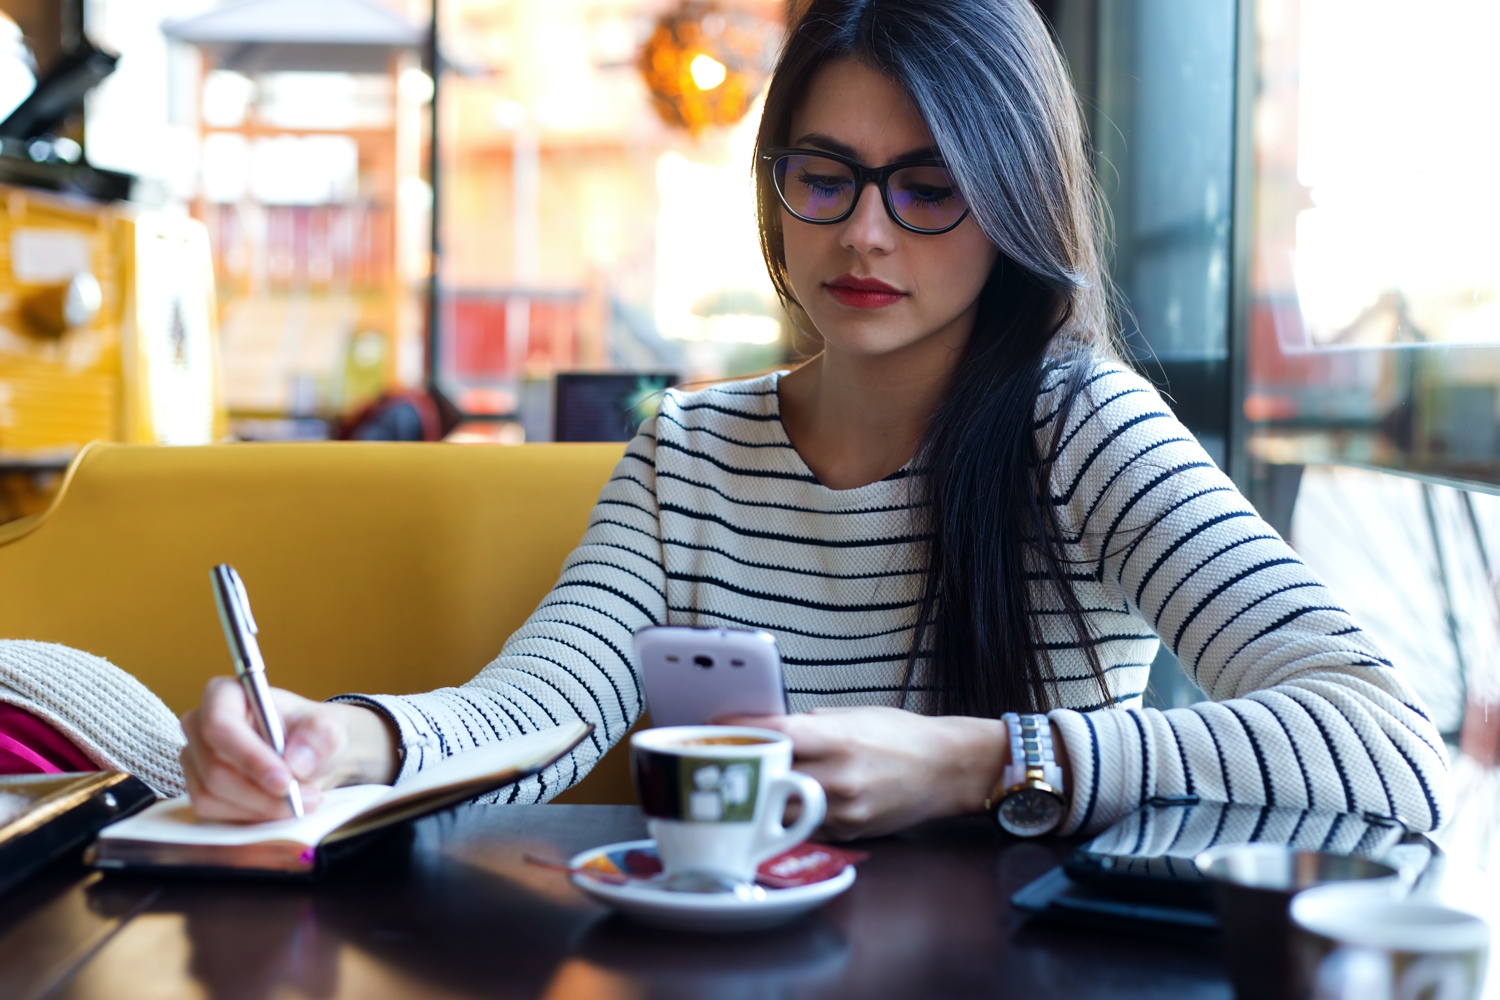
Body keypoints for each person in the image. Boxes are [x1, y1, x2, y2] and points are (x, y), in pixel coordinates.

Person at [181, 0, 1449, 839]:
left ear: (1013, 205)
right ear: (776, 187)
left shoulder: (1081, 429)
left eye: (929, 186)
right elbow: (545, 710)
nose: (864, 232)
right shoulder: (690, 451)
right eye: (826, 175)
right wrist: (345, 736)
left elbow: (1384, 743)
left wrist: (981, 761)